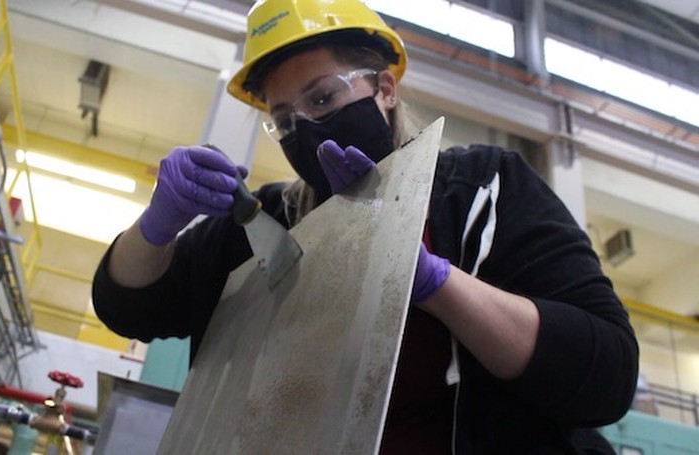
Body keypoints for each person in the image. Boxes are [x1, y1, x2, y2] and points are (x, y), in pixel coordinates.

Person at [92, 0, 639, 452]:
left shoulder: (484, 191)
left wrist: (432, 282)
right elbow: (130, 307)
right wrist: (158, 225)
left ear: (384, 89)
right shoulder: (265, 224)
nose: (303, 128)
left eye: (324, 97)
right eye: (284, 119)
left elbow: (604, 375)